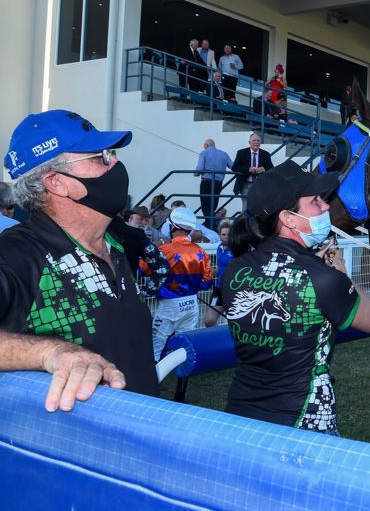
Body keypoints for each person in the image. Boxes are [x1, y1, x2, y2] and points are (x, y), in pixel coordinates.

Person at [0, 109, 159, 410]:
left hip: (142, 432)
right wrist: (50, 352)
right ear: (56, 182)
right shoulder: (18, 253)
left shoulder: (114, 245)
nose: (115, 164)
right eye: (101, 157)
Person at [222, 161, 370, 433]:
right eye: (315, 201)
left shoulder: (235, 269)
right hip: (305, 421)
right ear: (288, 218)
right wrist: (341, 274)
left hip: (241, 417)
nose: (326, 206)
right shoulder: (322, 278)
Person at [149, 207, 212, 360]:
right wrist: (190, 285)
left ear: (172, 227)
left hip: (170, 305)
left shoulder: (164, 250)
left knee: (155, 344)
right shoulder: (201, 251)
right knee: (184, 345)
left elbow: (144, 269)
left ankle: (152, 374)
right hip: (192, 303)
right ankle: (181, 374)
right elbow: (207, 283)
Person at [195, 139, 233, 228]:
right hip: (218, 183)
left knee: (205, 207)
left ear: (206, 145)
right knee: (213, 206)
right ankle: (211, 226)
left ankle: (212, 227)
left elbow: (199, 169)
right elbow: (233, 166)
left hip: (206, 182)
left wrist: (195, 174)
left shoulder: (204, 153)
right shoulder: (224, 154)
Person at [232, 132, 273, 212]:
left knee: (259, 206)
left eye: (258, 141)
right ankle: (245, 220)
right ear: (249, 142)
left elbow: (271, 168)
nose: (256, 142)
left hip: (260, 185)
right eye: (254, 140)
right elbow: (235, 167)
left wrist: (264, 169)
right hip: (245, 184)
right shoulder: (241, 153)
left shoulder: (265, 154)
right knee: (246, 207)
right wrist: (248, 169)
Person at [205, 220, 233, 327]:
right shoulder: (219, 248)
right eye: (223, 234)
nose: (226, 237)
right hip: (220, 289)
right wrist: (210, 272)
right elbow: (220, 266)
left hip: (233, 290)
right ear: (219, 235)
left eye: (228, 235)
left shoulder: (237, 249)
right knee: (209, 321)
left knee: (233, 322)